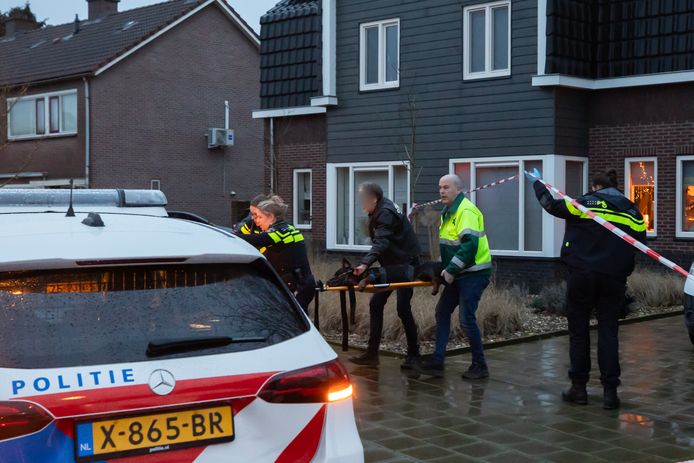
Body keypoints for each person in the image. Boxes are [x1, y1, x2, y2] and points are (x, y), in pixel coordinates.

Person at [528, 168, 646, 409]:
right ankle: (610, 393)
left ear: (595, 187)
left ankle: (579, 389)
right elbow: (640, 245)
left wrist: (538, 183)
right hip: (613, 278)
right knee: (608, 333)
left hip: (582, 275)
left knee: (579, 331)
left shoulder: (585, 202)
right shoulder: (633, 211)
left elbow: (551, 205)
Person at [419, 174, 493, 380]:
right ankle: (437, 361)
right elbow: (451, 247)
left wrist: (450, 271)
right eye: (440, 187)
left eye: (446, 187)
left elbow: (469, 247)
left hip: (474, 273)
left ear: (458, 190)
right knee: (442, 311)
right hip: (461, 272)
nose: (442, 191)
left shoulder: (466, 211)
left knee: (466, 320)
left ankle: (480, 366)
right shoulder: (448, 212)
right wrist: (442, 270)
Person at [349, 183, 422, 369]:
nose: (361, 202)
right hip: (391, 265)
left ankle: (414, 354)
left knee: (403, 308)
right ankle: (372, 354)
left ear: (374, 198)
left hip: (405, 264)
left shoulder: (385, 213)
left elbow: (382, 241)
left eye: (363, 198)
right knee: (376, 303)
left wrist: (366, 262)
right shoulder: (379, 208)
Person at [236, 195, 316, 312]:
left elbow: (259, 239)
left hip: (300, 286)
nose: (256, 221)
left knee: (292, 324)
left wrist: (230, 237)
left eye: (259, 217)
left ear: (271, 216)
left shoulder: (282, 232)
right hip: (297, 283)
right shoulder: (285, 228)